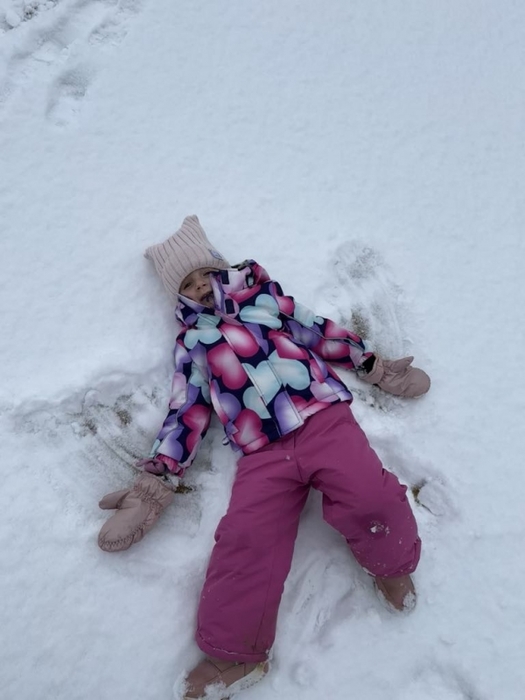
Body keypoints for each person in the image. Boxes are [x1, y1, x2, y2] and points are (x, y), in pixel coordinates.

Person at [97, 215, 430, 700]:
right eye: (187, 284)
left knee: (369, 496)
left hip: (323, 420)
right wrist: (158, 480)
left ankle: (392, 564)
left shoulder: (264, 300)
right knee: (245, 539)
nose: (200, 287)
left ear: (221, 269)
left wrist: (373, 365)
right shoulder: (192, 345)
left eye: (204, 274)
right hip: (262, 454)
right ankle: (236, 653)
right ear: (178, 296)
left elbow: (318, 332)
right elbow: (187, 410)